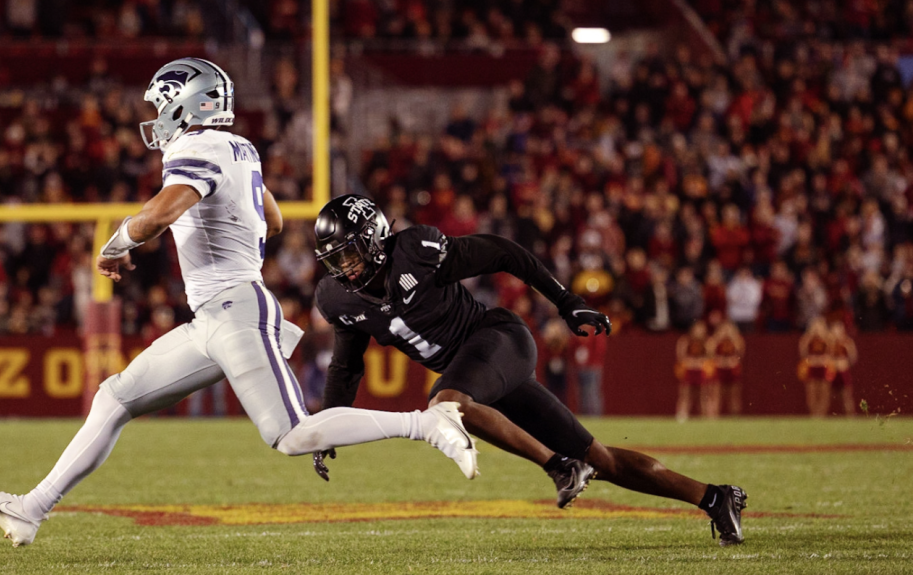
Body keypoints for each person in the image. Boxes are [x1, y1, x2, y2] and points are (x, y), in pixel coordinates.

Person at [0, 60, 477, 547]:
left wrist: (117, 243)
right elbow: (272, 221)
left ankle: (427, 424)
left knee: (291, 434)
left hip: (236, 311)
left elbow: (158, 215)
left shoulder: (197, 150)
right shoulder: (239, 148)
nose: (156, 117)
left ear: (187, 104)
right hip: (212, 316)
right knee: (113, 399)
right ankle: (32, 508)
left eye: (162, 104)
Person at [311, 194, 747, 546]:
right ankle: (714, 497)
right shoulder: (338, 299)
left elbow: (503, 252)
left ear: (373, 238)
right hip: (481, 380)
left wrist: (566, 302)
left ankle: (559, 467)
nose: (343, 268)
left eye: (348, 254)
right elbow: (346, 366)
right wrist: (329, 427)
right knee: (603, 459)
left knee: (444, 406)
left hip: (498, 341)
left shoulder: (414, 251)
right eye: (334, 261)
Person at [706, 318, 746, 418]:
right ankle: (713, 418)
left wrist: (733, 338)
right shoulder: (715, 340)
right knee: (716, 394)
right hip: (719, 369)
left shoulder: (737, 340)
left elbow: (740, 355)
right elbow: (709, 353)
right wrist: (718, 338)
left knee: (733, 395)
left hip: (732, 369)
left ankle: (735, 417)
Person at [674, 320, 712, 422]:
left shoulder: (707, 342)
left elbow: (710, 357)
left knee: (703, 395)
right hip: (689, 369)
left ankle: (705, 416)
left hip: (701, 370)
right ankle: (682, 414)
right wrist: (692, 362)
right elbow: (681, 357)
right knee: (685, 394)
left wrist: (699, 362)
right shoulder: (685, 340)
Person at [798, 317, 833, 417]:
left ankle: (822, 413)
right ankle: (814, 413)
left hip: (823, 366)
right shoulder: (808, 338)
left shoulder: (827, 338)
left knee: (824, 392)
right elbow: (802, 352)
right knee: (811, 392)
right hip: (812, 366)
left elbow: (831, 352)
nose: (817, 328)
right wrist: (809, 336)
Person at [827, 320, 858, 416]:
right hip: (832, 370)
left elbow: (853, 357)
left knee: (846, 395)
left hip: (843, 369)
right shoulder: (829, 342)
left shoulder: (847, 342)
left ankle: (850, 414)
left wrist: (845, 363)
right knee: (829, 395)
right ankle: (823, 416)